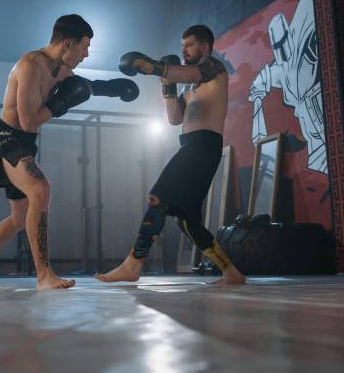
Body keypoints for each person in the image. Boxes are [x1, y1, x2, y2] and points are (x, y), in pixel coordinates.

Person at [0, 14, 138, 290]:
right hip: (6, 138)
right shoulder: (30, 66)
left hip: (25, 143)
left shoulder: (62, 70)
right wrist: (62, 103)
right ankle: (44, 276)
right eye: (84, 47)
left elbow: (85, 87)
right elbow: (28, 121)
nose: (86, 55)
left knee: (20, 219)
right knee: (40, 190)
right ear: (67, 43)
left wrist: (115, 89)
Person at [97, 24, 246, 285]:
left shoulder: (215, 69)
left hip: (203, 145)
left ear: (205, 47)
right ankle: (231, 273)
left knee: (159, 195)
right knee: (187, 220)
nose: (184, 50)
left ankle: (133, 263)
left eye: (189, 45)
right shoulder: (189, 89)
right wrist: (167, 84)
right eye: (182, 46)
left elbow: (189, 73)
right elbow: (174, 118)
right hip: (192, 145)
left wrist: (153, 67)